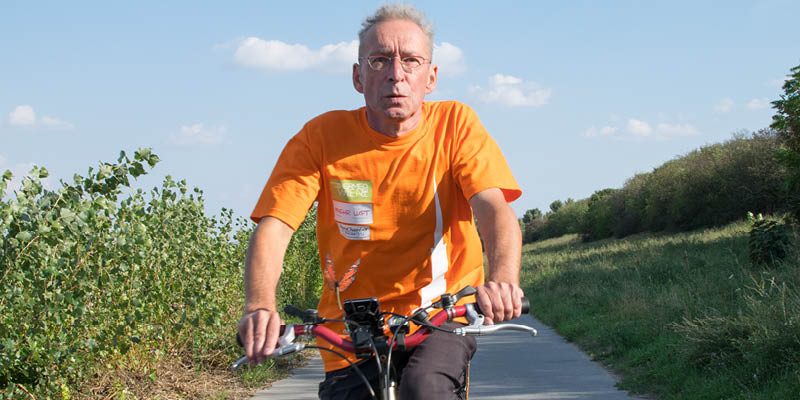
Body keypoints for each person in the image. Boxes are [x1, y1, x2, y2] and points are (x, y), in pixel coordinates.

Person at [238, 4, 524, 399]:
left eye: (411, 61)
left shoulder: (456, 125)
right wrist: (259, 307)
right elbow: (275, 225)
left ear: (431, 77)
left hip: (441, 315)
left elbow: (493, 209)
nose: (396, 74)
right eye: (379, 61)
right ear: (358, 76)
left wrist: (503, 280)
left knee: (425, 388)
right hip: (349, 327)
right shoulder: (320, 138)